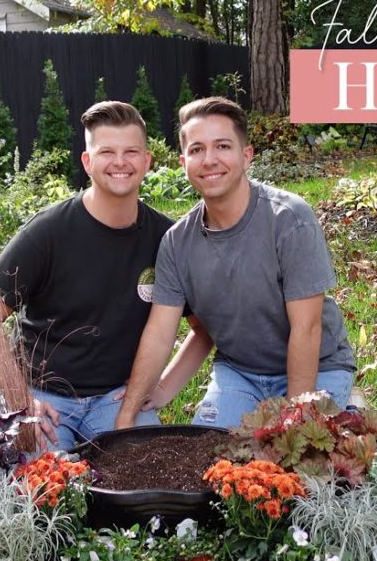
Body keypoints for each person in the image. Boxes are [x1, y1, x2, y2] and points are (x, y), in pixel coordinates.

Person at [0, 101, 210, 450]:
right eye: (106, 152)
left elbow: (204, 329)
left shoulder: (167, 239)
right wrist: (21, 403)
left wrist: (160, 389)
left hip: (117, 399)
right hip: (45, 398)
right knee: (46, 481)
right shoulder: (49, 232)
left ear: (147, 161)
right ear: (87, 161)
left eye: (131, 152)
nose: (120, 162)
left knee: (144, 473)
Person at [114, 96, 357, 431]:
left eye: (223, 146)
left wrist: (294, 420)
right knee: (214, 456)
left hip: (318, 368)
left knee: (293, 457)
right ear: (184, 162)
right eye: (197, 149)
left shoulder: (289, 219)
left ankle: (349, 407)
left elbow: (307, 329)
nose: (209, 159)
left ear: (246, 156)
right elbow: (159, 333)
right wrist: (145, 400)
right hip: (240, 372)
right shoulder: (176, 243)